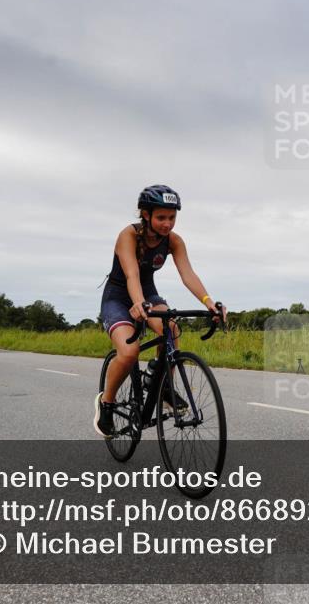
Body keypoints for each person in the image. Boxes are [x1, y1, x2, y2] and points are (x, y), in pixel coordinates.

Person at [95, 184, 226, 438]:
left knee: (172, 329)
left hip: (148, 294)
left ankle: (162, 381)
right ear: (146, 214)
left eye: (172, 217)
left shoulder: (173, 241)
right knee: (130, 351)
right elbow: (131, 275)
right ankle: (107, 404)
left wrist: (209, 302)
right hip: (119, 297)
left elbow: (187, 274)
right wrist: (138, 303)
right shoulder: (129, 236)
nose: (167, 224)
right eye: (161, 217)